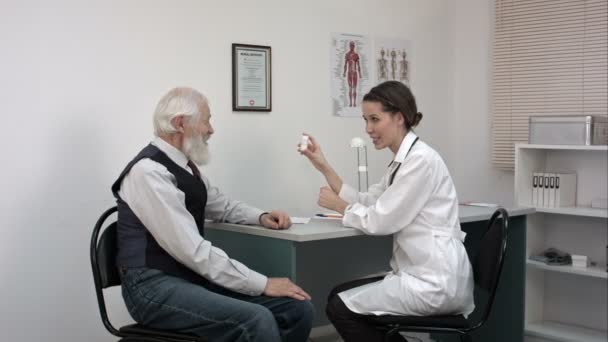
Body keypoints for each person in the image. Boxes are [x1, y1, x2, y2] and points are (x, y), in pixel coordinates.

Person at [112, 87, 314, 342]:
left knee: (296, 309)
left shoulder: (183, 165)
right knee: (255, 320)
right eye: (206, 120)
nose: (211, 129)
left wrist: (261, 216)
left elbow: (221, 205)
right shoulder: (149, 172)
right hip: (151, 288)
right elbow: (192, 250)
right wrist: (262, 283)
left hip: (186, 276)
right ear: (180, 123)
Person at [299, 81, 474, 342]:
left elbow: (380, 221)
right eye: (365, 120)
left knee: (339, 307)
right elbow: (368, 200)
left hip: (434, 282)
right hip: (421, 273)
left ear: (399, 118)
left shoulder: (421, 161)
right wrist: (323, 166)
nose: (368, 129)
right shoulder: (403, 161)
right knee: (340, 295)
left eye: (374, 119)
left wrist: (339, 206)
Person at [343, 40, 362, 107]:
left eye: (353, 45)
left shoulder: (356, 55)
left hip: (354, 73)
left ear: (354, 46)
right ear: (349, 46)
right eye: (351, 45)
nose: (352, 47)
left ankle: (354, 103)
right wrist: (344, 72)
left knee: (354, 88)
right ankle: (350, 103)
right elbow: (345, 64)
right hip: (349, 73)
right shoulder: (347, 55)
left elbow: (359, 65)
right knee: (350, 88)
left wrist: (360, 74)